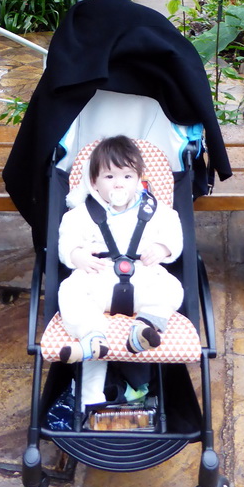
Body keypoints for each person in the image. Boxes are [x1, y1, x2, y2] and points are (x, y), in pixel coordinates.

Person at [56, 136, 184, 405]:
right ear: (94, 182)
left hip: (143, 278)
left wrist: (162, 248)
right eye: (109, 176)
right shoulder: (80, 214)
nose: (119, 183)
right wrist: (77, 256)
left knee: (172, 288)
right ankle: (92, 338)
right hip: (99, 277)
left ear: (139, 179)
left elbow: (174, 232)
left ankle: (144, 327)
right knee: (70, 290)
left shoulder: (155, 210)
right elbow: (66, 242)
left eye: (127, 176)